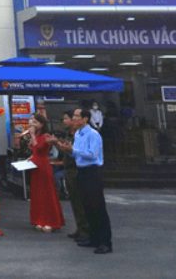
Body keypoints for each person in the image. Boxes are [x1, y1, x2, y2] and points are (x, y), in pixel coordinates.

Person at [57, 108, 113, 254]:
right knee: (86, 206)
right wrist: (68, 150)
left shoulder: (93, 134)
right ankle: (93, 237)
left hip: (92, 171)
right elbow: (77, 155)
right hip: (81, 171)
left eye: (77, 116)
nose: (74, 119)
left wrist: (73, 151)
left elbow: (92, 154)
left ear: (85, 119)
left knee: (97, 207)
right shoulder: (78, 134)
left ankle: (105, 241)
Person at [27, 114, 64, 232]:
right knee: (37, 194)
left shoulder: (46, 136)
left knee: (47, 193)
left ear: (42, 124)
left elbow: (39, 148)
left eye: (35, 122)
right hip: (35, 165)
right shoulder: (37, 136)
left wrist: (32, 135)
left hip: (43, 166)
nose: (32, 124)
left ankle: (51, 221)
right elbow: (34, 150)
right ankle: (39, 219)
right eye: (32, 121)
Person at [56, 110, 90, 242]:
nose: (64, 121)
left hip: (78, 169)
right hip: (69, 168)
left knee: (81, 201)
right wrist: (57, 144)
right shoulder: (69, 134)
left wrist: (70, 150)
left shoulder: (83, 134)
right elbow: (67, 151)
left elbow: (85, 153)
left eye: (67, 118)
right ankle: (80, 228)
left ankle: (86, 230)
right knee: (75, 201)